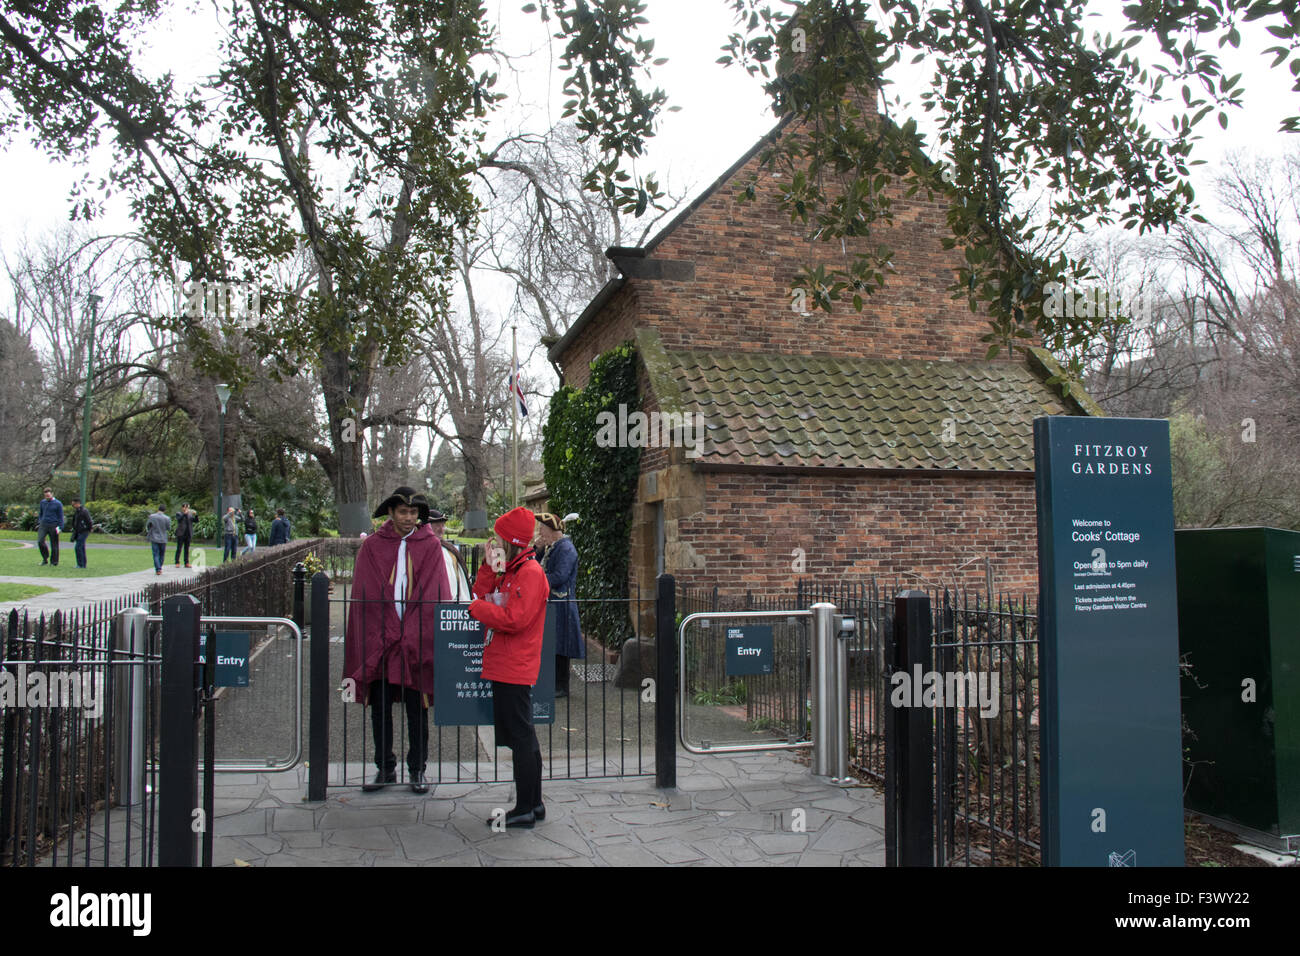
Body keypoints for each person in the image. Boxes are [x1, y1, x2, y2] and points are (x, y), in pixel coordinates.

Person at [343, 486, 451, 794]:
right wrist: (388, 631)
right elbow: (365, 595)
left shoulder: (430, 546)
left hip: (416, 639)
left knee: (418, 708)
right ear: (391, 513)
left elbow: (435, 593)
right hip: (382, 641)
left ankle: (417, 769)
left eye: (414, 512)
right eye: (403, 511)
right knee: (380, 707)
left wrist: (415, 632)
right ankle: (385, 768)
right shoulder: (373, 547)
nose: (408, 517)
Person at [469, 507, 549, 828]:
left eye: (501, 537)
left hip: (514, 666)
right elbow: (483, 594)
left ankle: (525, 808)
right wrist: (491, 568)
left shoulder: (529, 573)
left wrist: (479, 610)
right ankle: (534, 804)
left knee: (521, 738)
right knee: (522, 736)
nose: (496, 542)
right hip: (506, 664)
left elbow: (514, 619)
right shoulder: (513, 570)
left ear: (512, 540)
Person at [535, 513, 585, 698]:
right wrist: (537, 549)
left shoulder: (566, 549)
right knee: (553, 645)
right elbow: (534, 564)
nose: (539, 532)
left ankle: (562, 686)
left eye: (542, 528)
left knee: (561, 647)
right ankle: (554, 683)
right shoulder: (552, 547)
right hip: (552, 604)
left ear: (552, 530)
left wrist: (536, 579)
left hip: (562, 603)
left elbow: (560, 577)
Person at [425, 506, 471, 600]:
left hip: (451, 603)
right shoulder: (421, 550)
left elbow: (461, 580)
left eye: (443, 525)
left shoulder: (450, 550)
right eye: (437, 525)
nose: (441, 529)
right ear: (427, 527)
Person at [36, 487, 64, 567]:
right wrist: (40, 521)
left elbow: (61, 516)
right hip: (43, 525)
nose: (47, 497)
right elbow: (41, 513)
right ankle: (45, 558)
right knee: (40, 541)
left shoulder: (58, 503)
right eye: (46, 496)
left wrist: (60, 527)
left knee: (54, 544)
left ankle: (54, 562)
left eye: (48, 495)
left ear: (52, 494)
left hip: (53, 525)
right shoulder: (43, 502)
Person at [145, 505, 170, 575]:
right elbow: (168, 528)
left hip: (154, 537)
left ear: (158, 509)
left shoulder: (152, 516)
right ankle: (160, 567)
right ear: (164, 510)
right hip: (163, 538)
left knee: (156, 554)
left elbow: (148, 525)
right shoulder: (167, 518)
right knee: (162, 554)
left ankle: (158, 569)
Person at [69, 497, 93, 569]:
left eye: (74, 504)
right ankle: (82, 564)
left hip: (84, 531)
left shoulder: (84, 511)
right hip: (78, 531)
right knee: (81, 547)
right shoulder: (77, 511)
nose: (73, 506)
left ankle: (80, 564)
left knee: (78, 547)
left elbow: (89, 521)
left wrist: (89, 528)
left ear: (77, 503)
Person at [174, 503, 194, 567]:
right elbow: (179, 520)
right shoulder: (179, 513)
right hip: (181, 533)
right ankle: (177, 562)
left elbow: (195, 520)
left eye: (188, 507)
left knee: (187, 549)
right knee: (179, 548)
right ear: (183, 508)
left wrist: (196, 516)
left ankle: (186, 562)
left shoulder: (190, 514)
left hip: (188, 533)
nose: (187, 509)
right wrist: (185, 514)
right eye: (186, 507)